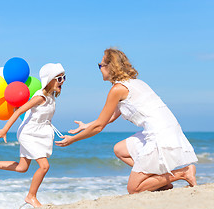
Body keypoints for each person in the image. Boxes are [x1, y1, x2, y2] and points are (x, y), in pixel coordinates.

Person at [55, 48, 198, 194]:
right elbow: (108, 118)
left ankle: (182, 173)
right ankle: (159, 182)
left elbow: (99, 126)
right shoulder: (135, 83)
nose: (99, 69)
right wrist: (86, 126)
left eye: (101, 65)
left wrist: (72, 140)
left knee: (134, 189)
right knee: (120, 149)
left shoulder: (118, 89)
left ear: (111, 67)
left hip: (159, 136)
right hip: (168, 130)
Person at [0, 63, 66, 207]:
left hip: (40, 132)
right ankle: (31, 196)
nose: (63, 81)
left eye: (64, 78)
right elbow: (19, 111)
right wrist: (4, 130)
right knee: (44, 166)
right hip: (29, 133)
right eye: (59, 78)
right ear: (50, 80)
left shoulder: (51, 97)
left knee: (22, 168)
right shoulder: (40, 97)